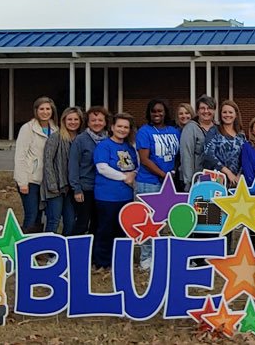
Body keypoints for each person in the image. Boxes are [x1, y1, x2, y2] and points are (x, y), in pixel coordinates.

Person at [134, 98, 179, 270]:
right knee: (147, 221)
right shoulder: (144, 132)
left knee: (164, 221)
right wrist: (163, 175)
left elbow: (177, 156)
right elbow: (144, 160)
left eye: (160, 111)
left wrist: (172, 173)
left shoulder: (174, 131)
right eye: (153, 111)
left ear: (165, 112)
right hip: (149, 182)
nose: (157, 114)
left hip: (168, 184)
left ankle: (160, 254)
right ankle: (146, 257)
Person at [92, 113, 138, 270]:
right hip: (107, 196)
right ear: (112, 127)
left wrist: (133, 174)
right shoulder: (104, 146)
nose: (122, 130)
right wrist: (124, 177)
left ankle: (119, 260)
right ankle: (102, 262)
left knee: (121, 229)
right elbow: (102, 168)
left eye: (126, 127)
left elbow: (136, 166)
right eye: (119, 126)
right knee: (106, 229)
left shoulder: (129, 147)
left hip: (125, 196)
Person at [14, 96, 57, 232]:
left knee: (40, 215)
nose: (45, 112)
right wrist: (22, 182)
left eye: (48, 109)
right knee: (31, 215)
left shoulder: (55, 129)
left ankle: (37, 242)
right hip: (30, 179)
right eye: (41, 109)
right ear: (36, 111)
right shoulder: (28, 128)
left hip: (46, 181)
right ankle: (26, 241)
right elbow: (20, 156)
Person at [41, 107, 83, 240]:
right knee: (54, 220)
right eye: (69, 119)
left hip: (72, 187)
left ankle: (64, 248)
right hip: (56, 186)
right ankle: (46, 247)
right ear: (63, 120)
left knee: (70, 221)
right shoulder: (56, 137)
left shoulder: (81, 139)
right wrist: (52, 184)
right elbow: (48, 161)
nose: (73, 122)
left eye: (76, 119)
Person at [69, 106, 108, 237]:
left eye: (100, 120)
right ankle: (72, 247)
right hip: (85, 189)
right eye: (93, 120)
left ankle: (93, 249)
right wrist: (76, 189)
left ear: (105, 122)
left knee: (97, 223)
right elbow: (73, 166)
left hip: (102, 189)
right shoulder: (80, 140)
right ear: (88, 122)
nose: (97, 123)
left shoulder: (108, 140)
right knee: (82, 223)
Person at [203, 100, 246, 185]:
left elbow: (245, 157)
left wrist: (239, 175)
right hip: (216, 178)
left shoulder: (241, 135)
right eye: (224, 112)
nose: (227, 115)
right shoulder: (214, 131)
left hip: (236, 180)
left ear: (236, 115)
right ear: (220, 114)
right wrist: (228, 173)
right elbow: (208, 154)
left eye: (230, 112)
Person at [178, 96, 217, 190]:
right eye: (202, 108)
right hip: (196, 180)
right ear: (197, 111)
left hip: (216, 179)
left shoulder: (218, 128)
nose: (206, 111)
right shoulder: (190, 128)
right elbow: (186, 156)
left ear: (214, 110)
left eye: (209, 108)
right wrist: (189, 182)